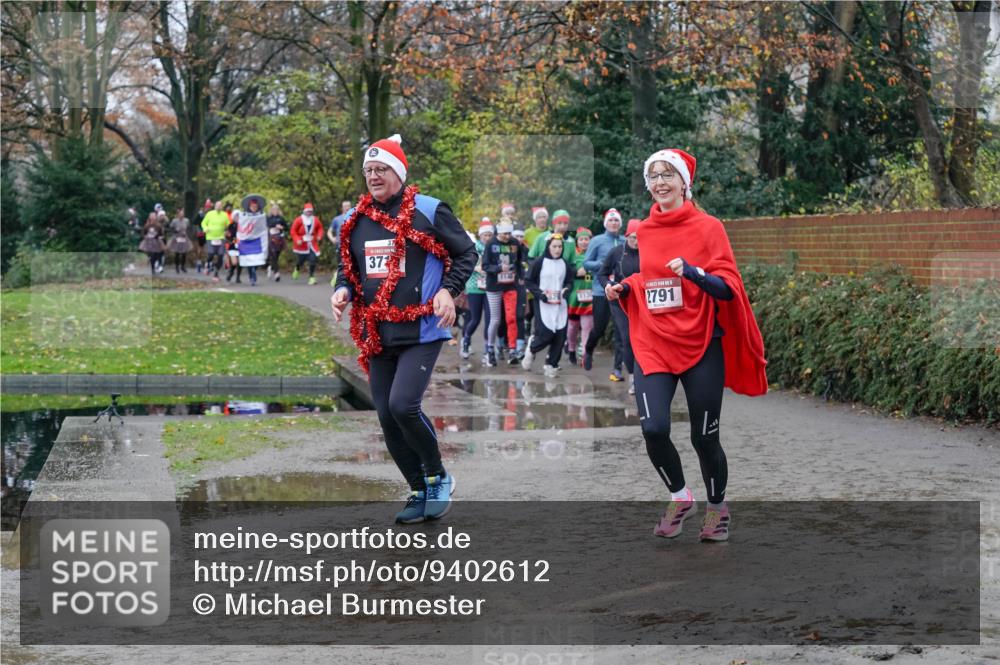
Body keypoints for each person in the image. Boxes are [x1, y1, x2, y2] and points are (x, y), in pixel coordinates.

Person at [606, 148, 767, 542]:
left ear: (684, 182)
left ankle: (717, 508)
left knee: (704, 437)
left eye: (667, 175)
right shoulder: (643, 230)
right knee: (654, 428)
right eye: (653, 176)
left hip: (701, 343)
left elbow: (728, 287)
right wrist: (625, 287)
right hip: (654, 342)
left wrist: (694, 272)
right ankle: (680, 497)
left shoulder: (709, 227)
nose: (660, 182)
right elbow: (650, 280)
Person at [331, 134, 476, 524]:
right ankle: (417, 488)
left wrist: (449, 290)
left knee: (402, 405)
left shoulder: (428, 211)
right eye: (368, 171)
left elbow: (466, 253)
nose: (374, 176)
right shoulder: (353, 221)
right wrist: (342, 289)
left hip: (423, 328)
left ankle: (439, 477)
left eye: (381, 169)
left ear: (398, 172)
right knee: (385, 413)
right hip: (378, 332)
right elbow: (349, 268)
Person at [598, 219, 641, 394]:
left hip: (641, 301)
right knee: (627, 338)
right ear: (626, 237)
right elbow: (602, 274)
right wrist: (608, 286)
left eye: (640, 238)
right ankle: (633, 377)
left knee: (643, 339)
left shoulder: (649, 251)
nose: (636, 242)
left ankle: (646, 374)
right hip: (619, 301)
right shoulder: (617, 252)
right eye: (633, 238)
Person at [522, 234, 575, 377]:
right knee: (546, 335)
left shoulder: (565, 264)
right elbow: (528, 281)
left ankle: (551, 364)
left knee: (560, 336)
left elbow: (570, 281)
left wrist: (567, 290)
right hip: (543, 304)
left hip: (560, 304)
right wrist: (540, 294)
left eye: (560, 247)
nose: (557, 250)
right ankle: (532, 348)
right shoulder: (539, 262)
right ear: (548, 247)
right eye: (554, 247)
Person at [582, 208, 625, 376]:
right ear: (606, 223)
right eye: (611, 221)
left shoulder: (624, 241)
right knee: (599, 328)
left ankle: (617, 368)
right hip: (601, 291)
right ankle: (588, 350)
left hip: (620, 291)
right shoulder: (598, 241)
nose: (613, 223)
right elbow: (586, 264)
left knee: (621, 330)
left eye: (616, 221)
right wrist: (603, 264)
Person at [482, 217, 524, 367]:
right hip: (494, 286)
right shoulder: (491, 244)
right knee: (495, 320)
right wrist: (499, 269)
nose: (507, 236)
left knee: (511, 317)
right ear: (499, 232)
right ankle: (490, 350)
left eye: (509, 233)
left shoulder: (514, 243)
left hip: (510, 286)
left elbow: (520, 262)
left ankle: (512, 350)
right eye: (504, 234)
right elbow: (485, 266)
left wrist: (521, 277)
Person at [461, 218, 493, 360]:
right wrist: (477, 268)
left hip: (490, 287)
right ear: (480, 235)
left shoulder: (493, 248)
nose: (487, 237)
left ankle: (488, 349)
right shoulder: (474, 247)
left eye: (489, 235)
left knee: (490, 319)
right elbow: (465, 264)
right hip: (474, 287)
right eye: (485, 235)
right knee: (475, 319)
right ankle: (466, 342)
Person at [565, 226, 594, 366]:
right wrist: (576, 272)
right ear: (577, 241)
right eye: (581, 239)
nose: (584, 242)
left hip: (590, 295)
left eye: (587, 239)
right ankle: (571, 348)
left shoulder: (595, 254)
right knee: (572, 327)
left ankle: (585, 355)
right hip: (574, 296)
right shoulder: (573, 255)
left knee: (587, 326)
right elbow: (566, 271)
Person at [238, 194, 268, 286]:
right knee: (248, 261)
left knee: (258, 259)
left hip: (257, 240)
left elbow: (262, 227)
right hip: (246, 241)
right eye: (252, 206)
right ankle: (252, 277)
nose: (254, 208)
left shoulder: (261, 216)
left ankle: (254, 270)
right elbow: (241, 226)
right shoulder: (244, 215)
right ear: (249, 206)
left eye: (256, 206)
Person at [291, 202, 323, 285]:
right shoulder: (299, 220)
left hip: (312, 244)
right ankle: (297, 269)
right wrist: (297, 239)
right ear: (304, 211)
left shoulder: (315, 219)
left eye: (310, 211)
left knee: (313, 260)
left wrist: (319, 236)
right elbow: (293, 231)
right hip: (301, 245)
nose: (309, 212)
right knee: (300, 261)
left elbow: (320, 228)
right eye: (307, 211)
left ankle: (311, 277)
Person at [201, 200, 229, 282]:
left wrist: (227, 231)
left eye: (220, 206)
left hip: (221, 238)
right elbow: (203, 223)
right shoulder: (210, 214)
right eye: (217, 205)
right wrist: (205, 228)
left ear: (222, 207)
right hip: (210, 237)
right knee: (211, 253)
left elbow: (227, 225)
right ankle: (207, 264)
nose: (218, 207)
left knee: (220, 255)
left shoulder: (224, 215)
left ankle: (216, 274)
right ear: (215, 206)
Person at [327, 200, 353, 285]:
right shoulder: (337, 219)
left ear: (351, 207)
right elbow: (329, 231)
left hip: (353, 245)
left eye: (348, 206)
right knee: (341, 265)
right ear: (342, 208)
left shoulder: (355, 217)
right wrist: (332, 239)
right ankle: (337, 279)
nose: (347, 208)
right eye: (345, 206)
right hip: (341, 246)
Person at [139, 212, 165, 276]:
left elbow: (162, 234)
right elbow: (143, 233)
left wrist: (159, 237)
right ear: (150, 217)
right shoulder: (147, 225)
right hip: (149, 242)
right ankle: (152, 268)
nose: (153, 218)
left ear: (156, 217)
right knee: (152, 255)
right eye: (152, 217)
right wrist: (146, 237)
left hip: (156, 242)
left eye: (154, 216)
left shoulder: (158, 225)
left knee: (155, 255)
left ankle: (154, 265)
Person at [266, 203, 287, 281]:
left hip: (279, 238)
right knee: (273, 255)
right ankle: (276, 273)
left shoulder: (281, 218)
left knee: (277, 256)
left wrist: (282, 227)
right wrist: (275, 225)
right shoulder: (269, 218)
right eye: (273, 209)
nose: (275, 211)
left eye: (276, 209)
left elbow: (286, 226)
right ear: (271, 211)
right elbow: (268, 224)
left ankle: (270, 267)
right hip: (271, 238)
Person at [193, 199, 212, 272]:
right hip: (201, 233)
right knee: (200, 249)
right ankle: (199, 262)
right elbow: (194, 222)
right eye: (207, 207)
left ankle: (208, 264)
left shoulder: (212, 214)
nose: (208, 208)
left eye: (209, 207)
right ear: (205, 207)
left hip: (209, 233)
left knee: (208, 249)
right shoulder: (201, 214)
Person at [224, 210, 242, 283]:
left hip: (241, 246)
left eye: (238, 216)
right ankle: (231, 273)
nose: (237, 218)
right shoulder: (231, 225)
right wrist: (229, 237)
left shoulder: (243, 225)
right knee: (234, 262)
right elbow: (228, 236)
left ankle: (238, 277)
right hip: (233, 246)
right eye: (236, 216)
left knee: (240, 263)